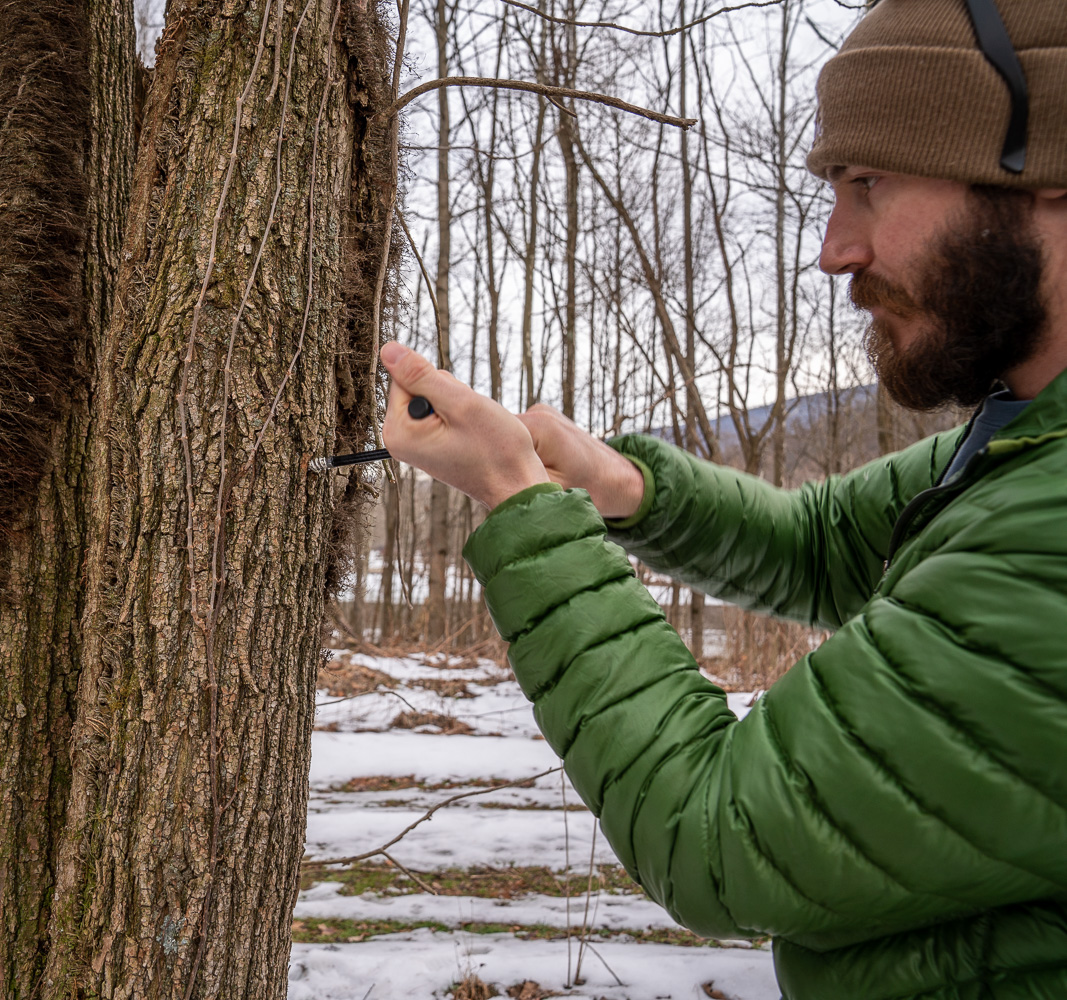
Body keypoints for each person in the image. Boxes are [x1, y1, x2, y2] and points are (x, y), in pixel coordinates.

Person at [376, 1, 1067, 996]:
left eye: (867, 184)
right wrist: (625, 489)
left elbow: (717, 833)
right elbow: (821, 544)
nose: (833, 248)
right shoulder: (1026, 436)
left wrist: (521, 507)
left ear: (1039, 174)